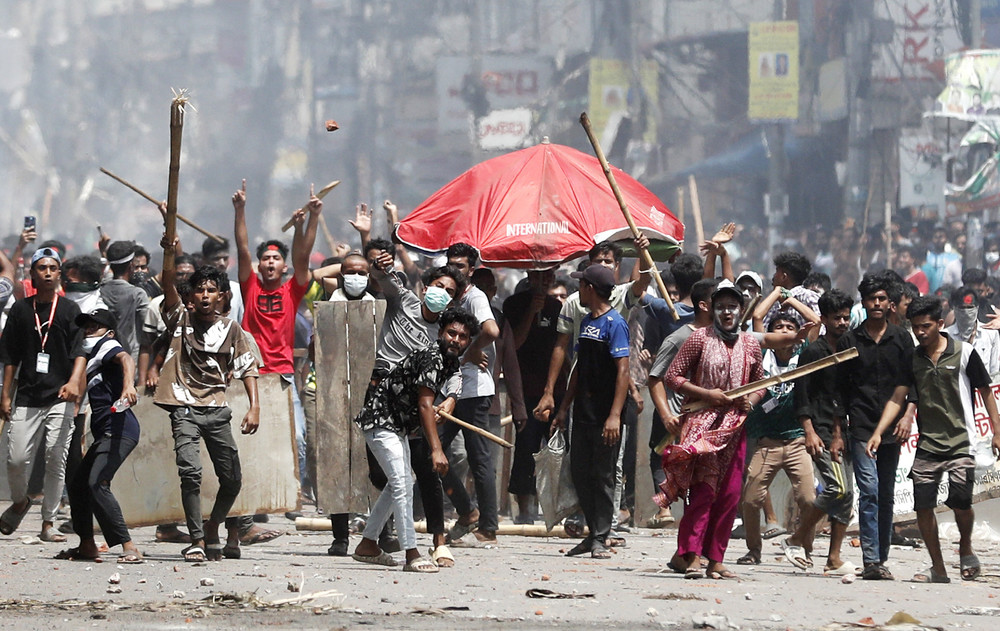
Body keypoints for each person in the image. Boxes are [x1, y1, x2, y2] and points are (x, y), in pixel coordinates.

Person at [866, 295, 1000, 583]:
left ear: (940, 324)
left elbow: (986, 392)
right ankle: (938, 567)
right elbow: (898, 397)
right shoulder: (912, 359)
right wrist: (878, 432)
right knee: (923, 506)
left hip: (961, 441)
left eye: (925, 326)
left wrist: (997, 431)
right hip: (928, 444)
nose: (920, 332)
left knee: (961, 501)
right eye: (915, 327)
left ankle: (966, 547)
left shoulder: (964, 353)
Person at [351, 308, 479, 573]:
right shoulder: (432, 358)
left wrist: (450, 401)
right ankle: (411, 553)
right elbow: (424, 405)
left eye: (463, 336)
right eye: (451, 333)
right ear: (440, 333)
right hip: (381, 422)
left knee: (400, 483)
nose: (456, 340)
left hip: (397, 427)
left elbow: (449, 388)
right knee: (402, 485)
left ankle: (368, 544)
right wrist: (436, 450)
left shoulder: (450, 362)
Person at [154, 252, 261, 562]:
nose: (204, 295)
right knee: (190, 473)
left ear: (221, 296)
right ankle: (197, 539)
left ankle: (214, 524)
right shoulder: (180, 319)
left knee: (232, 479)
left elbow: (247, 367)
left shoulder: (231, 329)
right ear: (191, 295)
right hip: (183, 407)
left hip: (216, 409)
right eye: (199, 290)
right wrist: (169, 251)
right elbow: (168, 284)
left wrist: (254, 407)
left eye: (211, 290)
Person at [657, 280, 765, 580]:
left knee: (729, 494)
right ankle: (691, 556)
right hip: (702, 425)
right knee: (703, 492)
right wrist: (707, 394)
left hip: (735, 428)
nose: (727, 313)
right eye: (721, 307)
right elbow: (673, 377)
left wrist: (750, 401)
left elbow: (761, 383)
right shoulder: (699, 339)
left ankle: (715, 558)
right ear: (713, 310)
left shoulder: (750, 344)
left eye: (732, 307)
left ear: (741, 311)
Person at [235, 180, 319, 544]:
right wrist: (240, 209)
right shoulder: (249, 286)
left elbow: (304, 256)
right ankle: (253, 503)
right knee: (249, 442)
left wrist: (308, 222)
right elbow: (241, 247)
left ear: (283, 266)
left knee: (297, 438)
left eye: (276, 259)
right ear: (259, 265)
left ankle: (290, 496)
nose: (270, 263)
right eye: (265, 259)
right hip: (251, 377)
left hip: (283, 376)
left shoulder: (292, 288)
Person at [0, 247, 86, 542]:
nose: (47, 273)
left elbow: (80, 352)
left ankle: (48, 522)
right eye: (42, 268)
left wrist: (74, 383)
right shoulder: (21, 310)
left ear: (59, 274)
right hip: (27, 395)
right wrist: (5, 395)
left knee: (55, 458)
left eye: (52, 268)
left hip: (60, 397)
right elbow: (9, 356)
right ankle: (21, 501)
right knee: (16, 459)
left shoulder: (70, 310)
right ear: (32, 274)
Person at [836, 272, 916, 580]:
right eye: (872, 299)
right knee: (868, 490)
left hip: (893, 429)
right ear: (864, 302)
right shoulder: (850, 341)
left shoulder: (901, 339)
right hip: (861, 426)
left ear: (890, 302)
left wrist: (908, 415)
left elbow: (911, 382)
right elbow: (840, 390)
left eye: (882, 298)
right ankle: (870, 559)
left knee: (885, 493)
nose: (877, 304)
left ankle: (881, 557)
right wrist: (839, 430)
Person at [551, 264, 630, 559]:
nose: (578, 291)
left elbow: (623, 371)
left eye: (581, 285)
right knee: (580, 472)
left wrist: (615, 415)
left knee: (603, 475)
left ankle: (600, 536)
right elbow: (578, 369)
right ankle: (592, 532)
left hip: (604, 414)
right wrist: (563, 408)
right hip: (582, 412)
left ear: (591, 289)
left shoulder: (615, 323)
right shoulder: (585, 322)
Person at [57, 309, 143, 563]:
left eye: (94, 327)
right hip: (106, 432)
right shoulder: (93, 357)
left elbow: (126, 358)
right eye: (86, 327)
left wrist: (129, 385)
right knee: (79, 485)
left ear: (109, 332)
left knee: (97, 483)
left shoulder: (107, 345)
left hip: (120, 430)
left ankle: (129, 547)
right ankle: (87, 545)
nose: (88, 331)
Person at [782, 289, 857, 575]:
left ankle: (833, 558)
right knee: (837, 488)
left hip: (843, 430)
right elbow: (801, 395)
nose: (842, 323)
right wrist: (809, 431)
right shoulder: (814, 352)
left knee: (847, 496)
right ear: (824, 319)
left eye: (846, 317)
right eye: (836, 318)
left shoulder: (849, 349)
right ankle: (797, 537)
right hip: (821, 430)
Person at [738, 313, 818, 568]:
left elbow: (816, 323)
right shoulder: (761, 357)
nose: (784, 331)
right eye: (778, 327)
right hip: (767, 442)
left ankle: (804, 548)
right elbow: (757, 316)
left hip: (797, 441)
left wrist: (788, 298)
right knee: (751, 500)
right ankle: (753, 550)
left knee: (808, 500)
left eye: (789, 327)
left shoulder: (804, 356)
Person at [439, 242, 501, 545]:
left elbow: (492, 331)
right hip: (450, 388)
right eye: (451, 264)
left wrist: (471, 351)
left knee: (479, 458)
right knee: (431, 451)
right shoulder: (447, 296)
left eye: (460, 266)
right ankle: (466, 510)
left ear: (471, 270)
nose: (455, 270)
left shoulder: (474, 297)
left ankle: (488, 526)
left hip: (474, 390)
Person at [646, 279, 720, 529]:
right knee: (662, 456)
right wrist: (666, 414)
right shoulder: (678, 338)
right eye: (719, 301)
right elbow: (655, 378)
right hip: (678, 415)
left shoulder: (726, 338)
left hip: (710, 419)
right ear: (704, 305)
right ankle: (665, 509)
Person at [504, 270, 565, 525]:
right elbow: (513, 344)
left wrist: (556, 390)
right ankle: (525, 509)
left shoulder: (558, 308)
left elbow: (561, 347)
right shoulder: (514, 304)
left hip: (554, 389)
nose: (543, 282)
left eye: (548, 277)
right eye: (539, 277)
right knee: (526, 448)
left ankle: (557, 509)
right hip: (525, 388)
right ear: (530, 276)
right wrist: (531, 312)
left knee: (557, 449)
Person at [100, 240, 150, 368]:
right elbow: (147, 330)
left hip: (103, 358)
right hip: (130, 362)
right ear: (131, 266)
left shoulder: (100, 291)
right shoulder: (138, 294)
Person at [946, 286, 1000, 380]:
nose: (966, 313)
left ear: (977, 308)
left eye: (970, 308)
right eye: (962, 308)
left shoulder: (991, 335)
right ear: (955, 309)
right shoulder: (945, 336)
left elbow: (994, 372)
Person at [763, 252, 820, 330]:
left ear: (784, 277)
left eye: (776, 272)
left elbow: (820, 327)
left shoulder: (809, 297)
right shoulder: (775, 304)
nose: (773, 277)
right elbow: (763, 330)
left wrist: (791, 301)